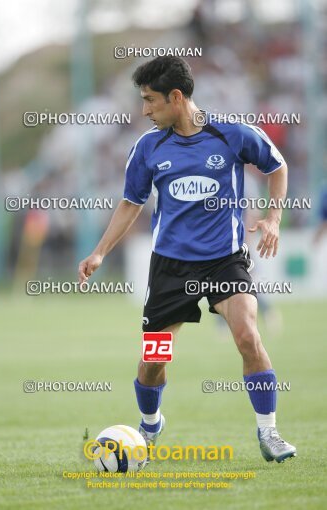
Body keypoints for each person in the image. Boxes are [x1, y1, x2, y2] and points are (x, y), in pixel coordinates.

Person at [78, 56, 296, 463]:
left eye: (150, 101)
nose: (144, 110)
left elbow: (277, 165)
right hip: (170, 267)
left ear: (175, 98)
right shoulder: (147, 147)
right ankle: (150, 425)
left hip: (224, 260)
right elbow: (131, 202)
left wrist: (274, 218)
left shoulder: (232, 134)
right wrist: (99, 251)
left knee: (248, 335)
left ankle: (270, 433)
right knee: (152, 363)